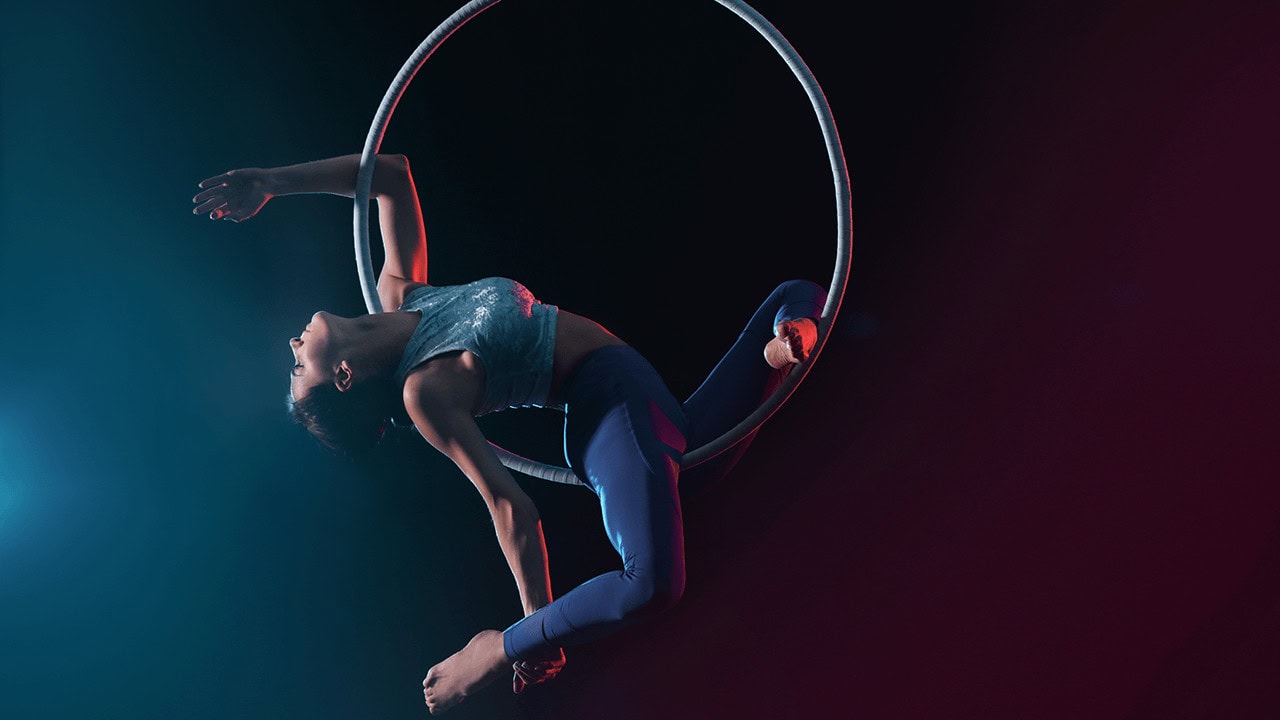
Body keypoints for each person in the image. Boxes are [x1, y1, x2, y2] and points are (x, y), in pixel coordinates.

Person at [193, 153, 826, 714]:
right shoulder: (424, 392)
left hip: (634, 389)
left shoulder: (403, 293)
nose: (294, 346)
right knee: (653, 583)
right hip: (606, 409)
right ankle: (492, 652)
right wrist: (531, 628)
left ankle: (780, 347)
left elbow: (390, 173)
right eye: (301, 368)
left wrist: (271, 182)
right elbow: (509, 507)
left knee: (792, 299)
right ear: (346, 379)